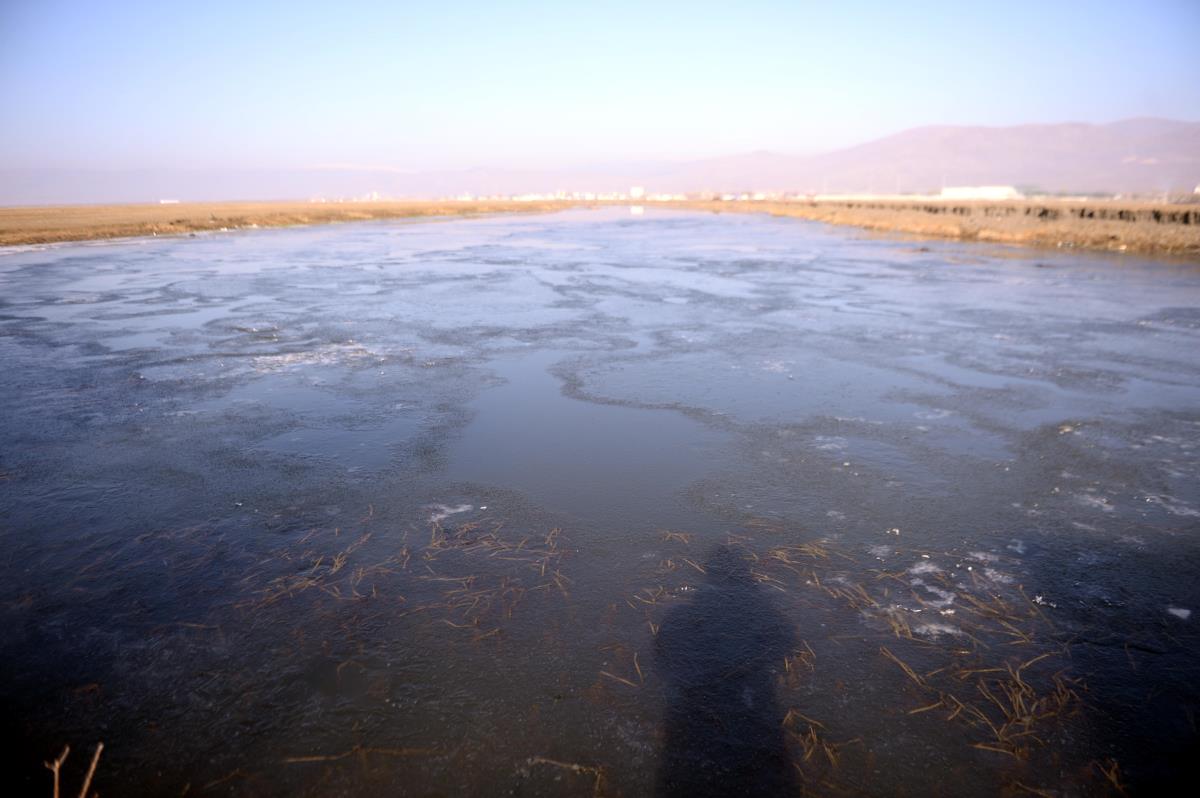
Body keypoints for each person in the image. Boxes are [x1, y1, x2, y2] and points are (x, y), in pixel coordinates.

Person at [653, 544, 798, 796]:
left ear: (706, 575)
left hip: (689, 730)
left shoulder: (678, 618)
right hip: (750, 713)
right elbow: (786, 640)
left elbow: (661, 660)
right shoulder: (763, 615)